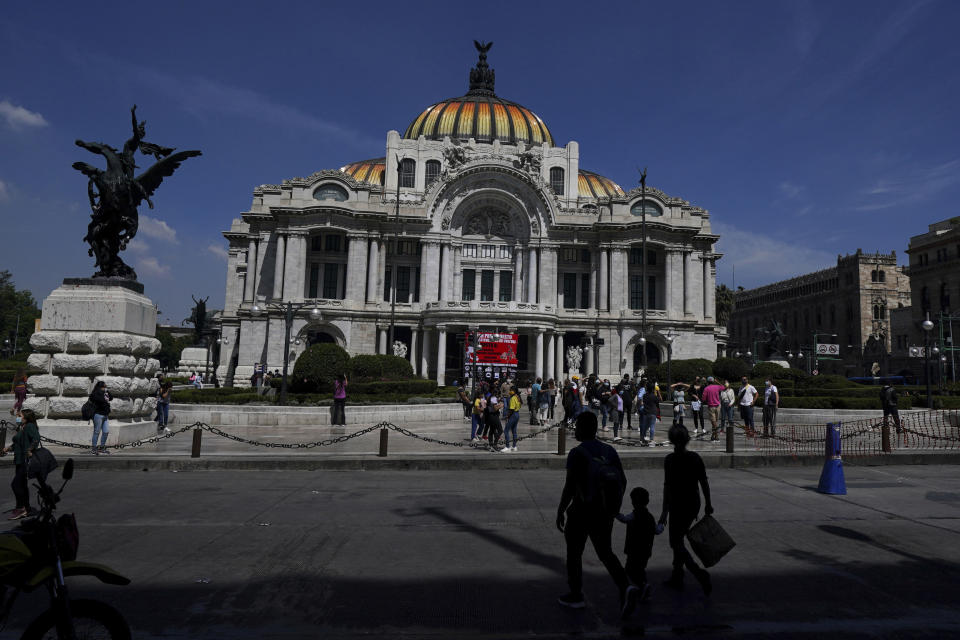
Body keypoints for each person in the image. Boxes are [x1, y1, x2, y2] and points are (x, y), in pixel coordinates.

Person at [556, 412, 632, 612]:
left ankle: (576, 594)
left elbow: (570, 486)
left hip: (582, 510)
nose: (575, 430)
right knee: (606, 552)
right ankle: (626, 586)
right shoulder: (609, 451)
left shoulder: (577, 453)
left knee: (574, 553)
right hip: (604, 511)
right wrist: (612, 506)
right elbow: (623, 481)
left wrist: (561, 510)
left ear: (583, 428)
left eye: (578, 426)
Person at [658, 424, 713, 595]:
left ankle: (697, 572)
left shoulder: (670, 460)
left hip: (677, 503)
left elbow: (668, 487)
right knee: (678, 539)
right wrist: (708, 504)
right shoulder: (695, 458)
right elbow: (704, 482)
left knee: (676, 542)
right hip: (692, 503)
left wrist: (664, 513)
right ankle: (677, 575)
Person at [616, 486, 658, 609]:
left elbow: (624, 519)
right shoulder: (650, 517)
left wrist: (614, 513)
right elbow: (657, 530)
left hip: (634, 549)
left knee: (629, 569)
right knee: (640, 569)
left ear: (633, 502)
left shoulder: (634, 515)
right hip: (646, 550)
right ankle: (644, 588)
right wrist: (662, 523)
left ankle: (642, 586)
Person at [3, 409, 40, 520]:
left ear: (26, 418)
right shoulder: (22, 427)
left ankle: (21, 508)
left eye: (20, 416)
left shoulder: (29, 426)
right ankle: (27, 508)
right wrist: (9, 448)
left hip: (25, 460)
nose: (18, 417)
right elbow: (18, 442)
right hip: (19, 459)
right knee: (22, 485)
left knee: (16, 485)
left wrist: (30, 449)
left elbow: (36, 439)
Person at [88, 380, 112, 455]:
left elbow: (111, 398)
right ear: (100, 387)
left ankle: (102, 447)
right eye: (104, 387)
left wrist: (107, 391)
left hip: (105, 415)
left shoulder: (105, 393)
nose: (105, 388)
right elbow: (100, 400)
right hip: (98, 415)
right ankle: (94, 449)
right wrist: (103, 393)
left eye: (105, 387)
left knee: (106, 431)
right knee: (97, 432)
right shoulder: (95, 394)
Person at [702, 377, 724, 441]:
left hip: (711, 406)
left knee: (713, 422)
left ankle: (716, 436)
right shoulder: (717, 387)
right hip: (718, 406)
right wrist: (717, 381)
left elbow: (703, 398)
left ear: (708, 382)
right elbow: (723, 387)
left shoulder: (706, 388)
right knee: (714, 422)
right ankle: (713, 435)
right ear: (713, 381)